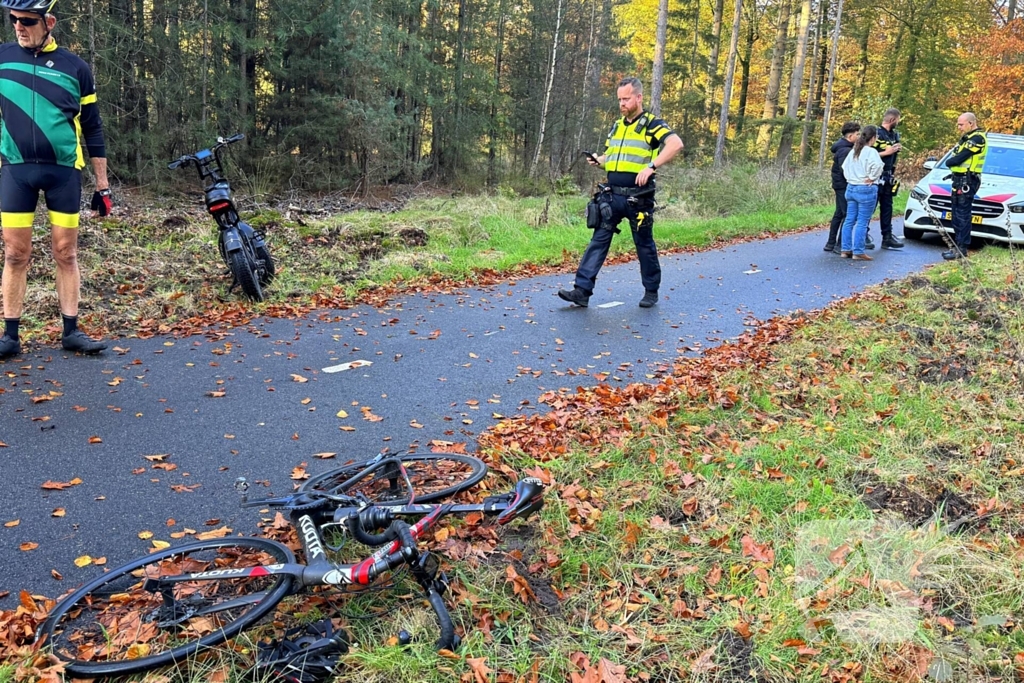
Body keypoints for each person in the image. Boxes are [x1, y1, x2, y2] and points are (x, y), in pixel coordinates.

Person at [0, 0, 112, 359]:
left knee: (66, 252)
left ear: (49, 22)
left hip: (64, 171)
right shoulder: (2, 59)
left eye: (28, 20)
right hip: (16, 171)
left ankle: (71, 331)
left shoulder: (75, 67)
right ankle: (10, 336)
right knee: (16, 254)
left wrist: (103, 184)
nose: (19, 26)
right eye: (14, 19)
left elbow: (93, 127)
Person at [558, 77, 683, 308]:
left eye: (626, 99)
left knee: (644, 244)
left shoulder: (651, 124)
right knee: (598, 240)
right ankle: (581, 291)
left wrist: (651, 166)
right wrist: (599, 161)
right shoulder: (617, 126)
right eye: (619, 99)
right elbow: (613, 158)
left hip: (639, 197)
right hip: (612, 196)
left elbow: (676, 144)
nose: (622, 103)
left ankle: (651, 291)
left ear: (638, 97)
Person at [941, 112, 987, 260]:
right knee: (956, 215)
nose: (959, 127)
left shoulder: (977, 138)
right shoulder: (966, 138)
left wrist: (950, 162)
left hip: (967, 181)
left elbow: (957, 159)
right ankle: (957, 248)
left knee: (962, 215)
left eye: (961, 124)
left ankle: (961, 249)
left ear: (971, 123)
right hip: (959, 180)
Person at [838, 125, 884, 261]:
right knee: (863, 221)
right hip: (865, 188)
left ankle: (845, 249)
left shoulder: (854, 151)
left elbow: (844, 167)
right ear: (874, 137)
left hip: (851, 187)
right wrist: (872, 177)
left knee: (849, 220)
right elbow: (878, 166)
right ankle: (858, 251)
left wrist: (851, 178)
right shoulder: (871, 152)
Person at [871, 108, 905, 250]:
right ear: (892, 120)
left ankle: (887, 237)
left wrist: (896, 149)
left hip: (889, 175)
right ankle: (864, 235)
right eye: (897, 120)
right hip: (876, 175)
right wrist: (887, 152)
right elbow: (868, 154)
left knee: (887, 207)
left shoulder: (894, 135)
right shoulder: (877, 134)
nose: (898, 122)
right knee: (871, 206)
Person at [824, 121, 861, 252]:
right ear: (850, 136)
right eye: (857, 134)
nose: (859, 136)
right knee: (847, 214)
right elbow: (845, 169)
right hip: (843, 185)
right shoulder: (845, 150)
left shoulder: (843, 148)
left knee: (839, 213)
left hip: (839, 184)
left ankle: (831, 243)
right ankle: (840, 245)